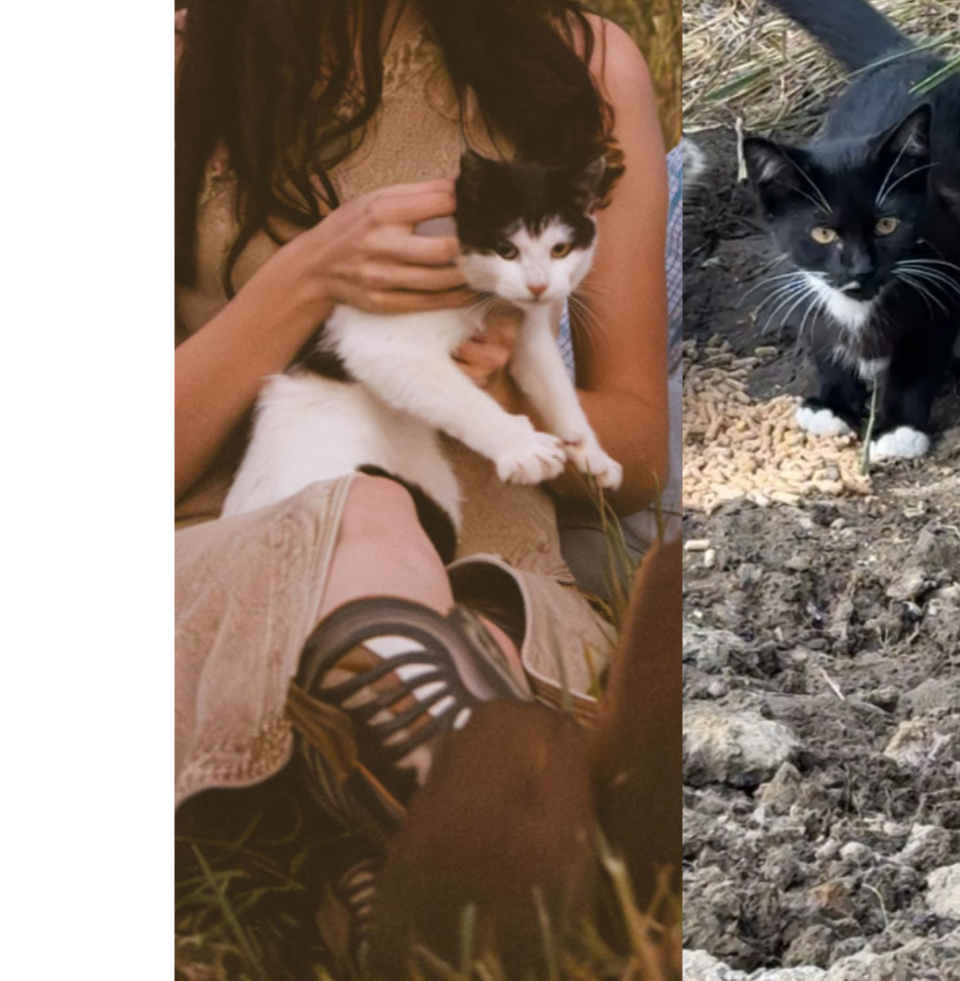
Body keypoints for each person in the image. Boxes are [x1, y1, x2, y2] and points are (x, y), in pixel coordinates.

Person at [174, 0, 675, 973]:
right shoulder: (156, 70)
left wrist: (491, 390)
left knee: (480, 631)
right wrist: (312, 275)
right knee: (364, 517)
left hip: (493, 562)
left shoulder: (582, 64)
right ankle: (609, 833)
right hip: (227, 563)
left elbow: (637, 443)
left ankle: (415, 888)